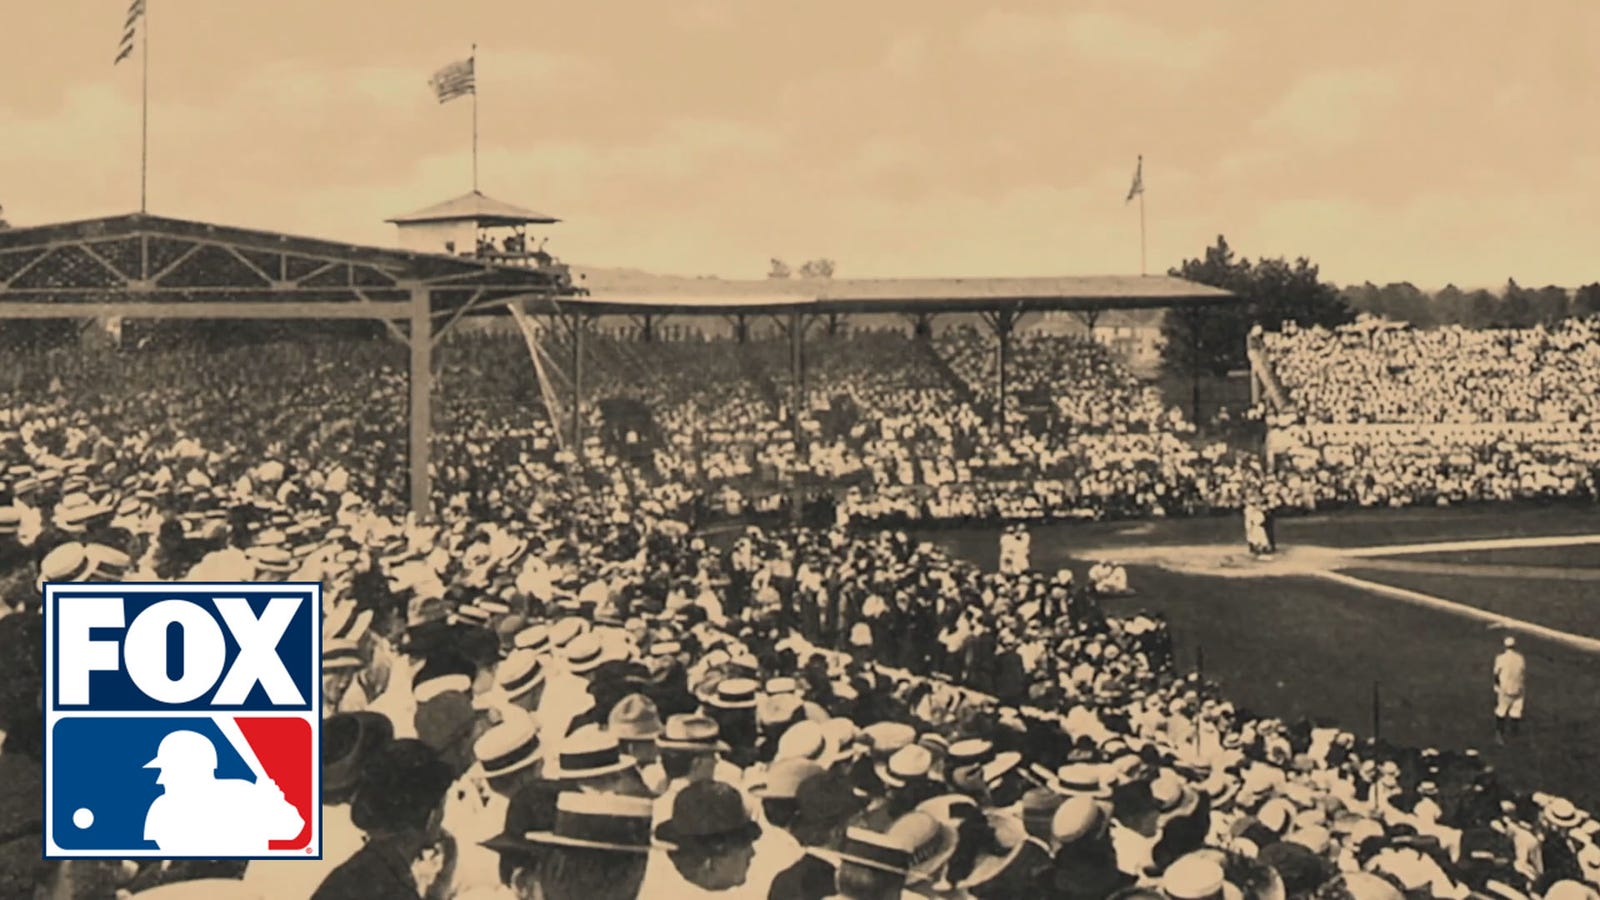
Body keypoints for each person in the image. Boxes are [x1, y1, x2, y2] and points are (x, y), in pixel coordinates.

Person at [141, 730, 305, 856]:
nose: (160, 779)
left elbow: (292, 829)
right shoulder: (163, 808)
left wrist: (273, 805)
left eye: (169, 770)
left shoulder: (243, 793)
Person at [1494, 635, 1526, 741]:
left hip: (1505, 688)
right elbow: (1522, 673)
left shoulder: (1501, 658)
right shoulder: (1520, 658)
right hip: (1518, 688)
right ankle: (1514, 734)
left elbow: (1496, 673)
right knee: (1516, 711)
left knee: (1501, 710)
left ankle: (1499, 734)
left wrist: (1496, 685)